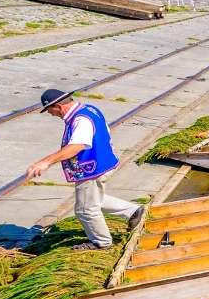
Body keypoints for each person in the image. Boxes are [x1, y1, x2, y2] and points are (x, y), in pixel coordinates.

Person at [25, 89, 144, 250]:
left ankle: (101, 242)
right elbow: (104, 132)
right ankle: (133, 211)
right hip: (104, 162)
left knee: (85, 209)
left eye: (50, 110)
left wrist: (45, 162)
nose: (51, 114)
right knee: (94, 199)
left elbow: (77, 146)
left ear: (58, 106)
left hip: (92, 168)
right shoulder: (89, 109)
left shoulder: (80, 119)